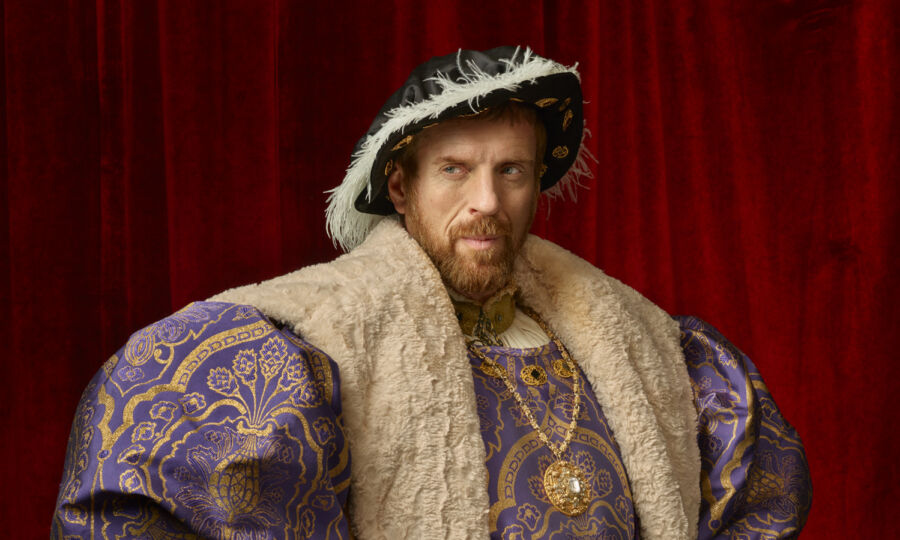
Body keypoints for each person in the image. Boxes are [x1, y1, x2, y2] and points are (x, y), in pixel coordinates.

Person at [53, 47, 811, 539]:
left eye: (511, 172)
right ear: (400, 188)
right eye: (455, 170)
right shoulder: (310, 345)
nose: (487, 202)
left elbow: (759, 494)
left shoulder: (643, 343)